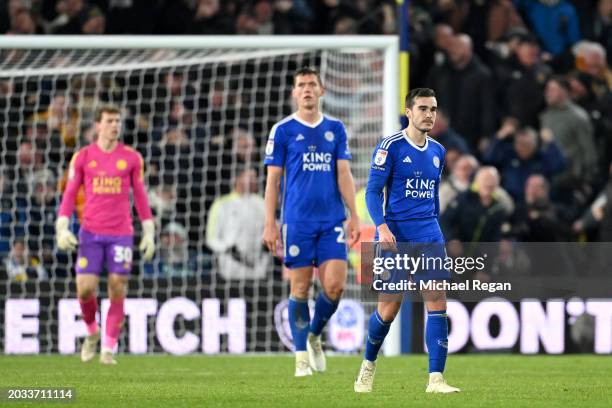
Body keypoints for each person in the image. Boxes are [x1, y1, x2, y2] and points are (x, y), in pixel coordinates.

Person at [355, 88, 460, 394]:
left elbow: (433, 195)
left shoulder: (438, 151)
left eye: (434, 109)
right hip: (395, 236)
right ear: (409, 112)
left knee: (437, 301)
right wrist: (382, 227)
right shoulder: (391, 147)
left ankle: (436, 379)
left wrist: (436, 226)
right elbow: (373, 192)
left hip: (429, 234)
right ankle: (368, 365)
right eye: (423, 109)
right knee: (389, 310)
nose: (430, 115)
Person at [262, 67, 360, 377]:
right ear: (294, 93)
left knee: (334, 287)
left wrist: (354, 214)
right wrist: (270, 222)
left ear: (322, 91)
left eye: (311, 85)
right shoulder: (283, 130)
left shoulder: (335, 128)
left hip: (332, 219)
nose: (306, 89)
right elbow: (273, 180)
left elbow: (343, 173)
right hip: (297, 221)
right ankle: (301, 356)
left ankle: (315, 334)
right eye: (301, 85)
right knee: (301, 288)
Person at [55, 104, 155, 365]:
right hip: (90, 233)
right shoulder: (83, 156)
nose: (115, 126)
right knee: (85, 290)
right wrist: (62, 225)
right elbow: (69, 192)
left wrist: (148, 230)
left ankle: (109, 349)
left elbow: (141, 197)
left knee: (117, 286)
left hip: (121, 234)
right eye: (109, 121)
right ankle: (92, 332)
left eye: (118, 121)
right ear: (97, 125)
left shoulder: (132, 157)